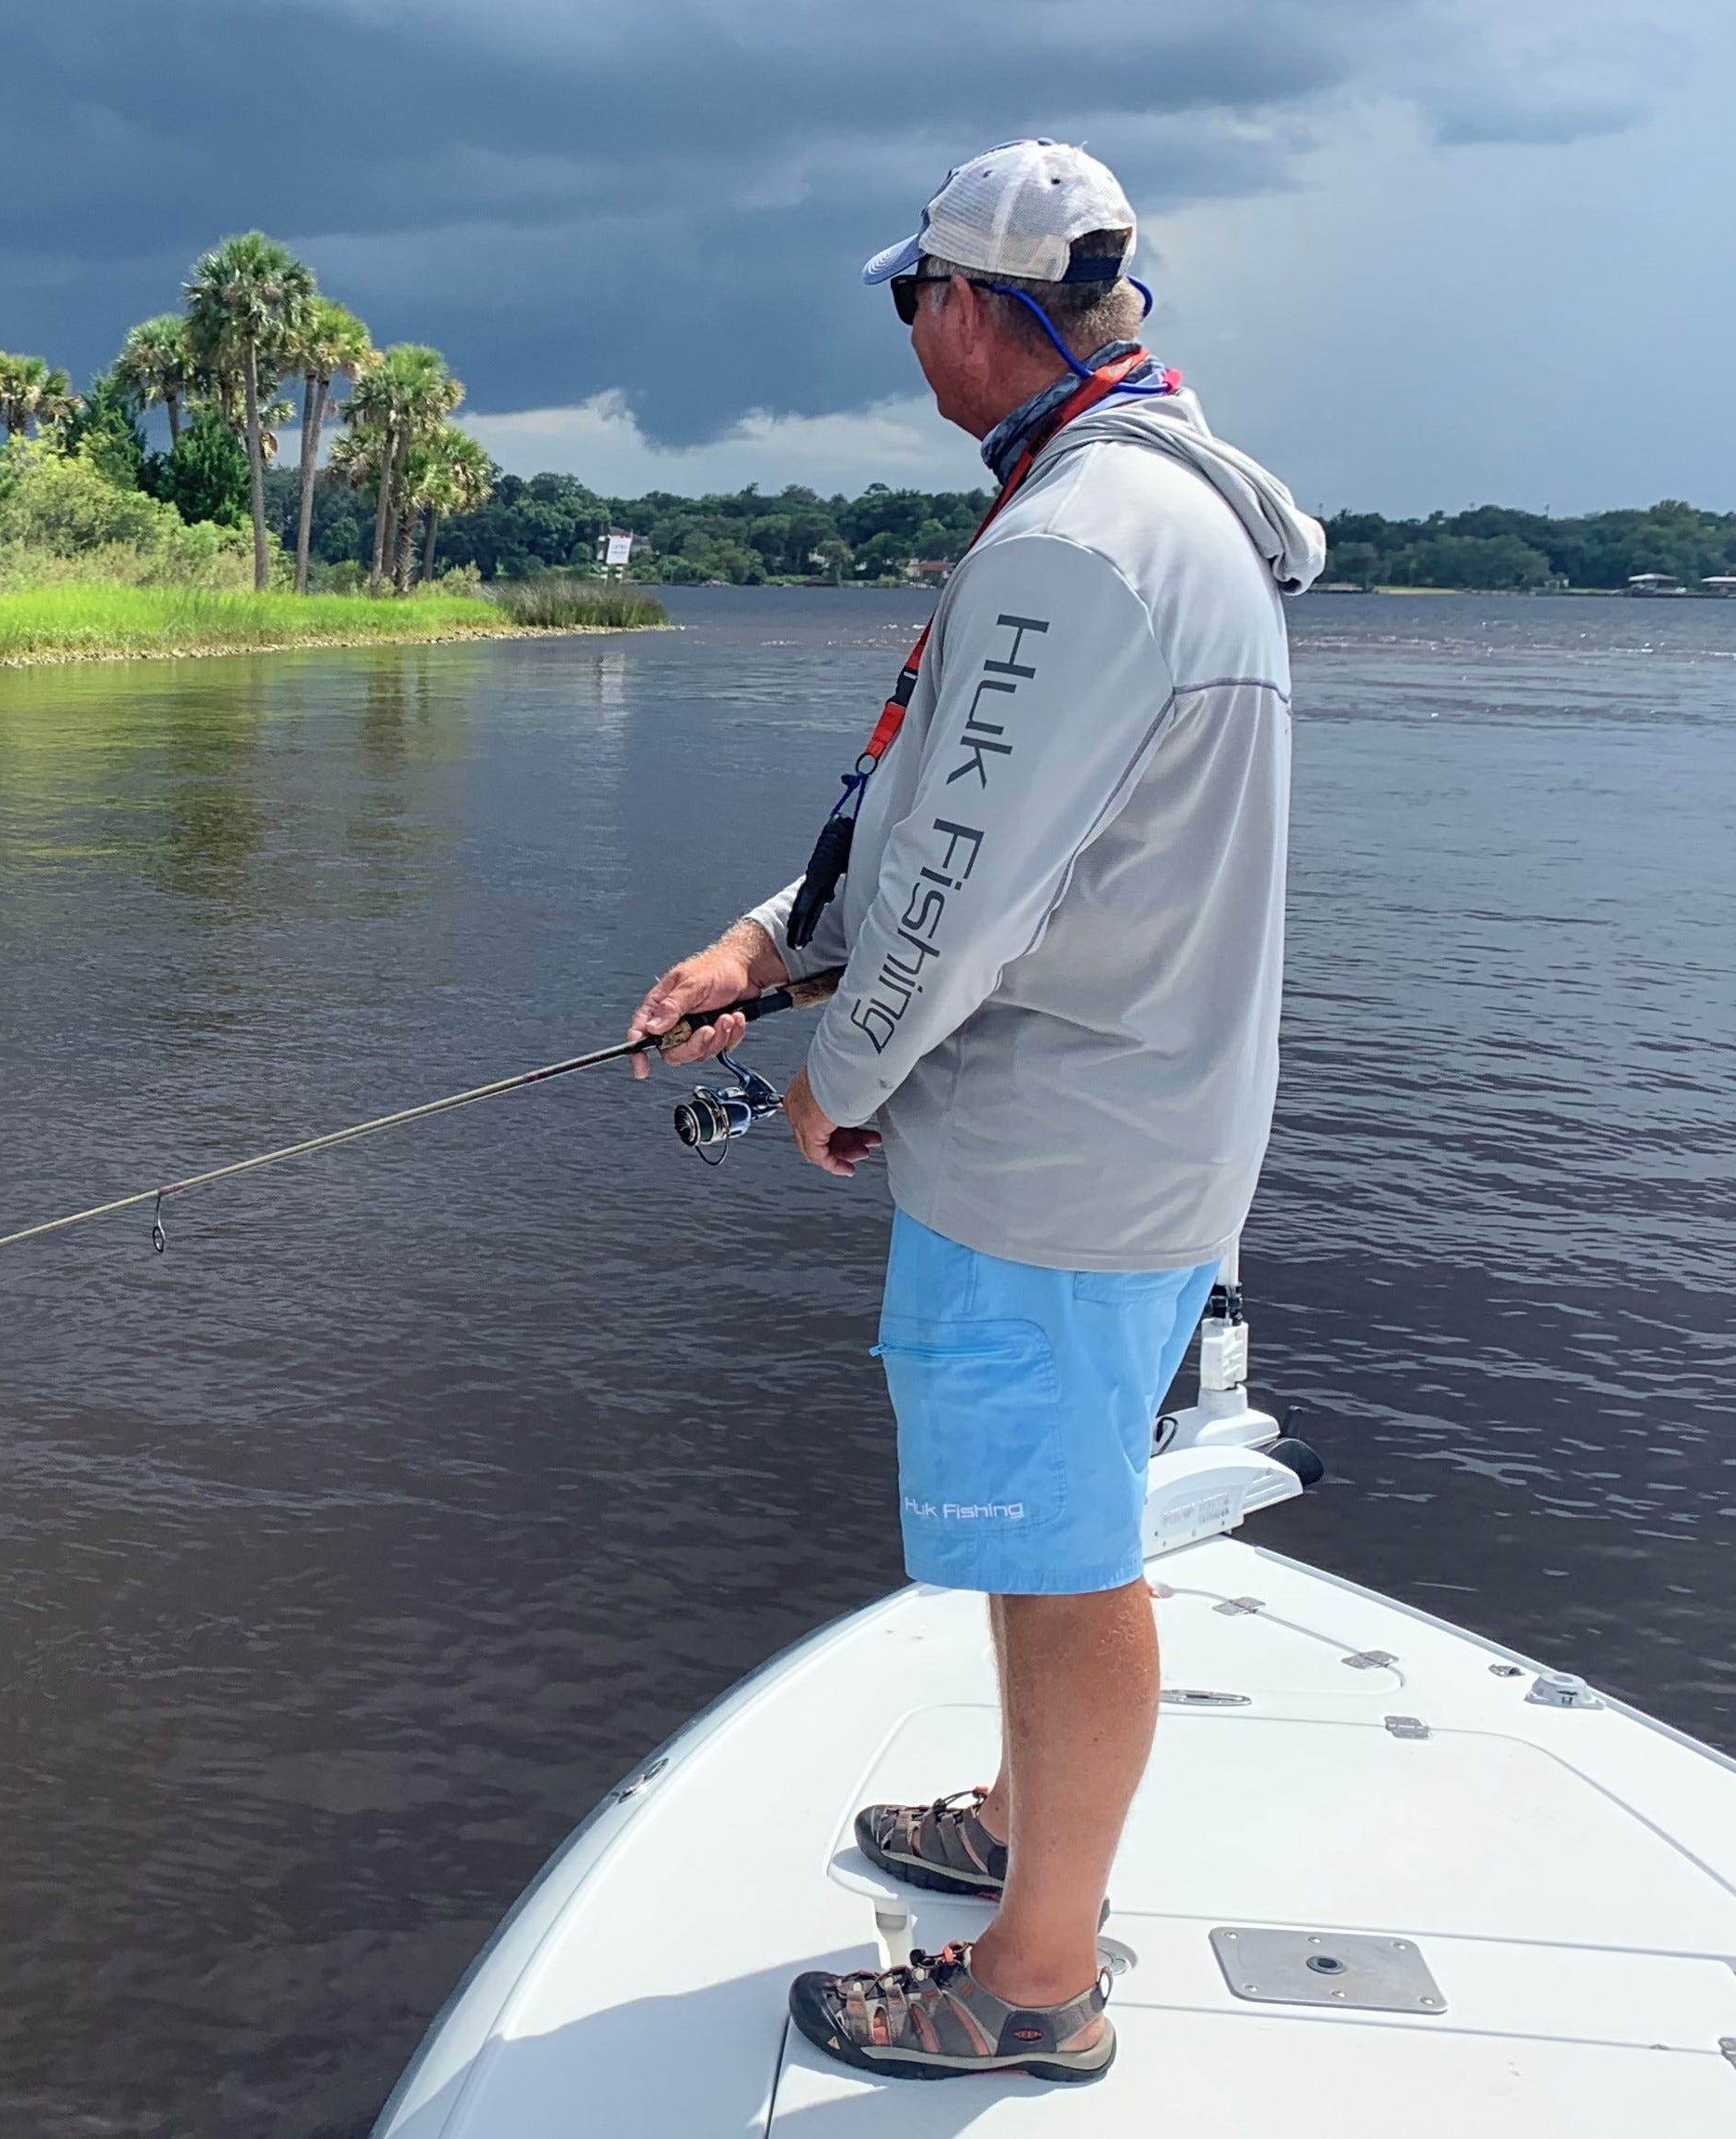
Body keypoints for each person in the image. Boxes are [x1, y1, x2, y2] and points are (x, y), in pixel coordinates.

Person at [624, 140, 1325, 2087]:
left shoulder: (1075, 548)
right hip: (1135, 1131)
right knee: (1048, 1524)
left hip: (1059, 1158)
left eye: (910, 297)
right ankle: (1028, 1833)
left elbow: (956, 893)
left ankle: (1033, 1978)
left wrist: (838, 1078)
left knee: (1064, 1543)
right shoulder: (1143, 514)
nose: (906, 333)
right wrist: (760, 947)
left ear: (971, 307)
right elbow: (963, 825)